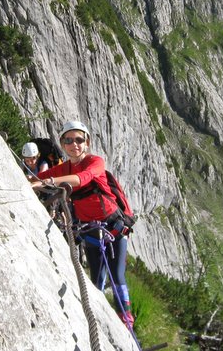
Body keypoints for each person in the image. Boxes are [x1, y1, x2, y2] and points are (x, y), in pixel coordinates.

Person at [31, 121, 134, 328]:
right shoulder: (64, 168)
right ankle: (99, 319)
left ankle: (127, 320)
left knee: (117, 276)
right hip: (90, 230)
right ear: (63, 144)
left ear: (87, 143)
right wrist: (28, 179)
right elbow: (35, 177)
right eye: (68, 140)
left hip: (113, 226)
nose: (74, 144)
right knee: (96, 280)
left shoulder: (96, 161)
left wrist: (45, 182)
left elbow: (82, 178)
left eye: (79, 139)